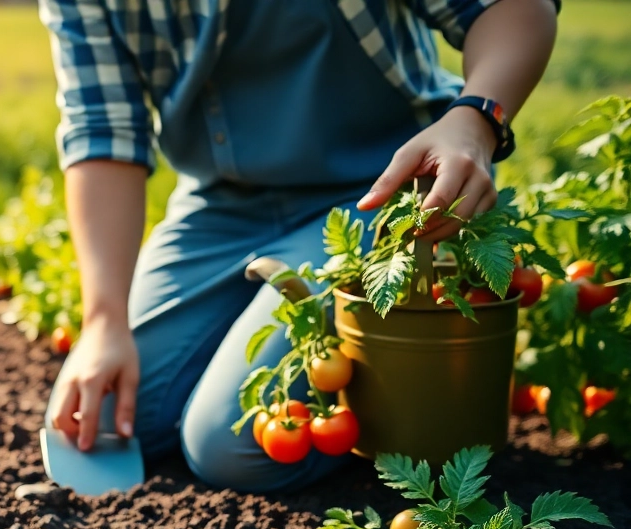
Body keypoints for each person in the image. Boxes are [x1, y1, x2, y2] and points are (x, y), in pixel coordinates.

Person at [39, 0, 557, 492]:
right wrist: (104, 320)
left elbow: (516, 8)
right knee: (98, 420)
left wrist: (475, 122)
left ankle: (414, 419)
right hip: (217, 210)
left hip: (380, 195)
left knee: (230, 446)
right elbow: (101, 131)